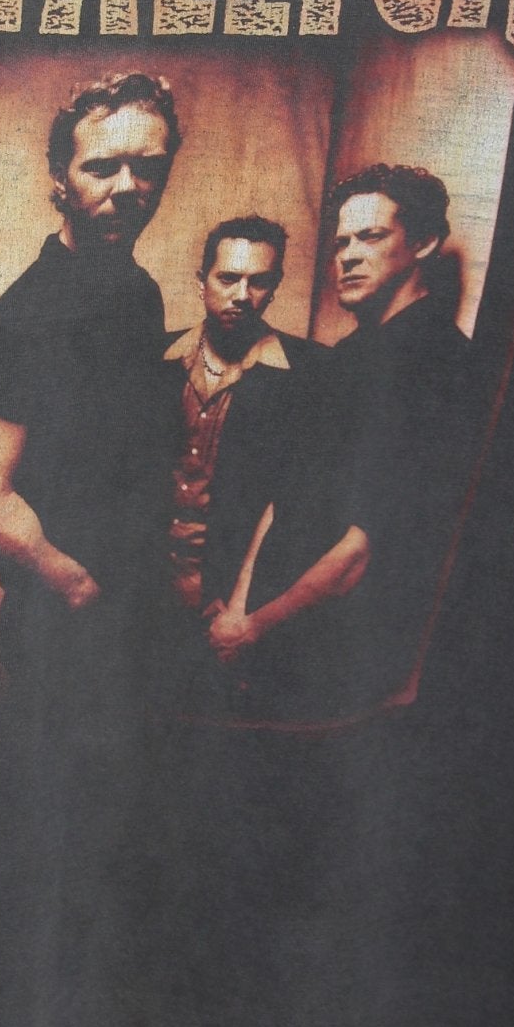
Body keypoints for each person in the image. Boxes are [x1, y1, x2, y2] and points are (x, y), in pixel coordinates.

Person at [205, 164, 480, 721]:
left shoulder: (439, 364)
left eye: (370, 237)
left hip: (337, 662)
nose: (348, 257)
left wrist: (254, 626)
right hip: (268, 641)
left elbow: (364, 549)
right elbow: (281, 503)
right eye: (341, 243)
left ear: (424, 242)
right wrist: (238, 607)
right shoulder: (347, 357)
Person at [0, 71, 183, 710]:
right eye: (101, 168)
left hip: (141, 607)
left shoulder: (138, 292)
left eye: (147, 168)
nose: (127, 187)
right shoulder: (18, 322)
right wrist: (80, 591)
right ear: (60, 179)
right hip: (67, 622)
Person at [158, 217, 327, 705]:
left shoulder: (310, 374)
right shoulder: (154, 359)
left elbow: (294, 508)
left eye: (258, 282)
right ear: (202, 281)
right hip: (147, 596)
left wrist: (243, 607)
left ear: (275, 287)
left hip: (235, 606)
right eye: (228, 278)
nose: (241, 295)